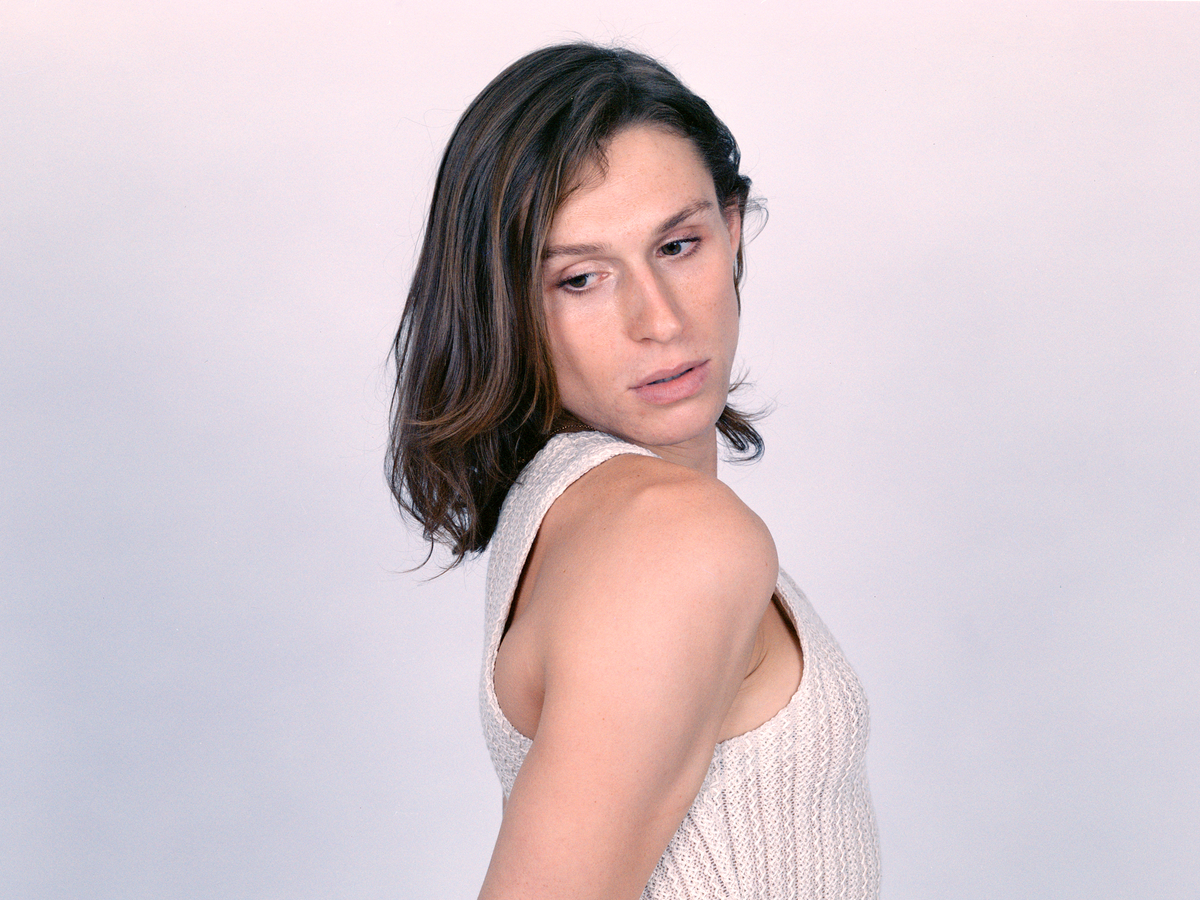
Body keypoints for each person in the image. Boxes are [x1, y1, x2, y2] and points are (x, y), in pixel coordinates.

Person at [388, 43, 879, 900]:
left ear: (732, 230)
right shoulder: (671, 538)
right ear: (507, 308)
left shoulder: (578, 511)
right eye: (580, 278)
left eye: (679, 245)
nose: (658, 319)